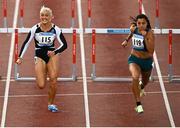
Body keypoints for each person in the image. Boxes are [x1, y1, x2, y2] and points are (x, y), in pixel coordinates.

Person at [16, 6, 67, 112]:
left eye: (46, 15)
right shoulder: (35, 29)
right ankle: (42, 69)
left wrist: (55, 52)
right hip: (39, 55)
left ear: (51, 17)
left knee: (53, 80)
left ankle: (51, 104)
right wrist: (20, 57)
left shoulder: (56, 29)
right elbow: (26, 42)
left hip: (51, 55)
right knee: (41, 85)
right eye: (42, 15)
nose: (44, 17)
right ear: (40, 16)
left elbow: (64, 45)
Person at [122, 14, 155, 113]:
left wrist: (145, 37)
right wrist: (126, 40)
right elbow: (132, 32)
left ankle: (141, 87)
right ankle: (138, 104)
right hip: (134, 59)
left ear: (147, 24)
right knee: (135, 76)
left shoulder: (150, 34)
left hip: (147, 61)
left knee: (145, 82)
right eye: (139, 23)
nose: (140, 25)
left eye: (143, 23)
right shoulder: (135, 28)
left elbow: (151, 50)